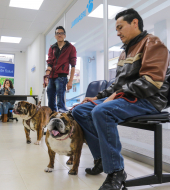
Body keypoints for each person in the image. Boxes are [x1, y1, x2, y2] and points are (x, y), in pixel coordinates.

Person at [72, 8, 170, 190]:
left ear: (135, 23)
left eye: (120, 27)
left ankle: (116, 172)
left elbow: (151, 82)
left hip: (148, 99)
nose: (117, 33)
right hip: (127, 96)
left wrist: (117, 95)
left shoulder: (153, 43)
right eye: (116, 29)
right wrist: (99, 96)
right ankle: (102, 159)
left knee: (102, 111)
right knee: (80, 110)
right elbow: (117, 83)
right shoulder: (125, 52)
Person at [44, 26, 77, 112]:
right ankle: (53, 118)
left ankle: (62, 120)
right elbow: (50, 63)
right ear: (55, 36)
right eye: (57, 33)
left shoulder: (71, 48)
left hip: (61, 78)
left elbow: (73, 65)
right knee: (50, 101)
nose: (59, 35)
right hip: (51, 77)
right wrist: (46, 77)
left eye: (61, 33)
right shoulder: (52, 48)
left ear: (64, 35)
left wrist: (70, 81)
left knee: (60, 102)